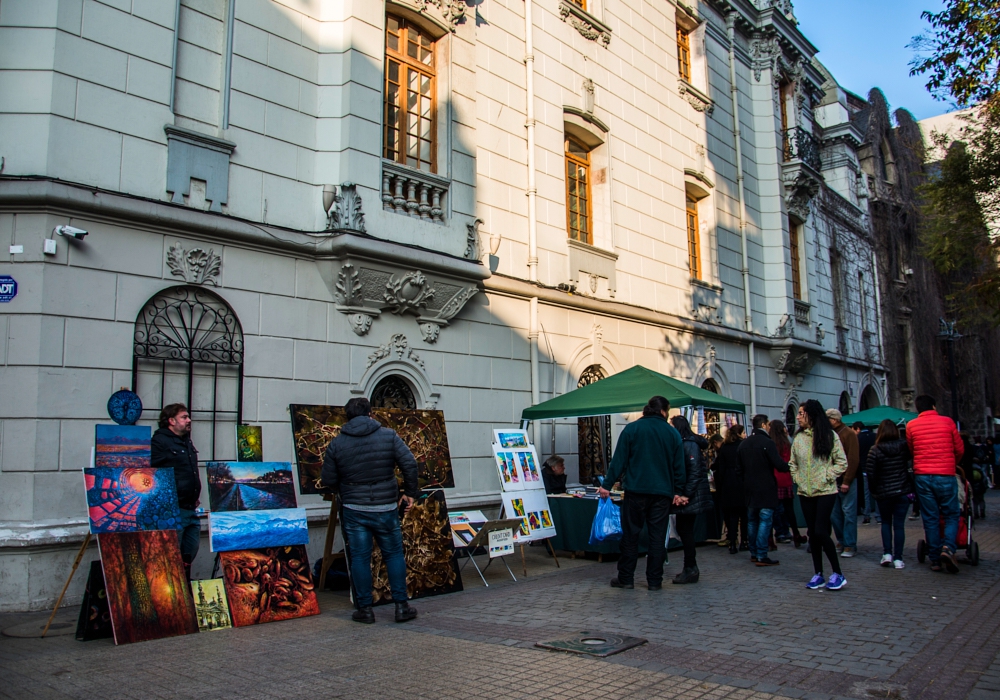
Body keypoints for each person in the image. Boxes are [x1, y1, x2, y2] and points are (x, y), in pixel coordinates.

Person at [321, 397, 420, 623]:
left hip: (354, 509)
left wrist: (345, 488)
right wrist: (409, 493)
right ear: (370, 414)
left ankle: (365, 609)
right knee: (393, 554)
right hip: (385, 507)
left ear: (347, 417)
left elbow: (328, 478)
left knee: (359, 558)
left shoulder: (337, 444)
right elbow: (410, 464)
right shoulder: (389, 436)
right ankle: (401, 607)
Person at [598, 396, 687, 590]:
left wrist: (607, 484)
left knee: (631, 535)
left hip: (636, 491)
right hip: (662, 493)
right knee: (657, 537)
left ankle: (626, 578)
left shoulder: (632, 429)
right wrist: (679, 491)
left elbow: (619, 460)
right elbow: (679, 466)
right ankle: (654, 581)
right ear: (663, 411)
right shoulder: (672, 433)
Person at [790, 400, 849, 590]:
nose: (798, 417)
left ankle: (838, 573)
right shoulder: (798, 438)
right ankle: (818, 574)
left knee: (821, 531)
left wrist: (826, 477)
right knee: (812, 534)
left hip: (825, 491)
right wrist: (797, 477)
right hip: (805, 492)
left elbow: (841, 462)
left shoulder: (830, 436)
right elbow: (793, 463)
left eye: (801, 413)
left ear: (811, 415)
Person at [906, 395, 964, 573]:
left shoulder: (911, 425)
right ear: (933, 405)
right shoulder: (947, 422)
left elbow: (912, 449)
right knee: (951, 514)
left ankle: (935, 558)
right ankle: (948, 548)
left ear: (917, 409)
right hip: (945, 473)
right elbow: (959, 448)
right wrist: (952, 463)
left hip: (923, 475)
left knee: (930, 517)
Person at [151, 403, 202, 580]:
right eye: (184, 417)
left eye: (188, 417)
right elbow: (152, 473)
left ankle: (183, 588)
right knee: (171, 558)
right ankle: (173, 596)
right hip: (173, 510)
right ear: (171, 421)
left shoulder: (186, 441)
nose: (189, 420)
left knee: (189, 552)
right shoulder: (160, 441)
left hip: (191, 508)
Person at [737, 414, 789, 567]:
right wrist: (791, 465)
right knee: (765, 520)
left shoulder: (743, 444)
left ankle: (754, 553)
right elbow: (779, 464)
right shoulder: (767, 443)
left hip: (749, 488)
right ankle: (761, 554)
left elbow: (738, 469)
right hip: (766, 488)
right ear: (764, 424)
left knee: (752, 520)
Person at [864, 419, 912, 569]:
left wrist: (874, 491)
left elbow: (871, 473)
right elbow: (909, 466)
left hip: (884, 492)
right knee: (899, 526)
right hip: (902, 490)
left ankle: (887, 554)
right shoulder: (904, 447)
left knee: (886, 522)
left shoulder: (875, 450)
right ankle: (898, 558)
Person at [669, 415, 712, 583]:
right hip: (689, 495)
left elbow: (694, 472)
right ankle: (690, 567)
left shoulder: (689, 445)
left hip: (691, 497)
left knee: (685, 530)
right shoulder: (687, 444)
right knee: (684, 529)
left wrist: (686, 494)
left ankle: (691, 567)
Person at [826, 408, 860, 557]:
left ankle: (850, 544)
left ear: (834, 420)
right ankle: (841, 540)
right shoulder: (830, 434)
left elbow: (853, 459)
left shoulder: (848, 434)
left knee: (848, 512)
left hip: (846, 479)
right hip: (833, 480)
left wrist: (847, 480)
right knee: (835, 514)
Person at [712, 425, 747, 554]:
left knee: (732, 516)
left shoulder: (725, 448)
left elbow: (721, 469)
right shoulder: (743, 446)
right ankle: (744, 541)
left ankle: (732, 542)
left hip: (728, 483)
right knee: (744, 515)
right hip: (741, 482)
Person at [769, 419, 804, 546]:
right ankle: (794, 533)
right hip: (786, 477)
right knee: (789, 510)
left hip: (775, 478)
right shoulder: (787, 442)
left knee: (775, 509)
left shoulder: (772, 443)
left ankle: (779, 533)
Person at [854, 422, 877, 524]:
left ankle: (867, 516)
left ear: (858, 429)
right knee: (877, 493)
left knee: (866, 494)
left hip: (863, 469)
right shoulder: (875, 436)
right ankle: (879, 516)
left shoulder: (858, 439)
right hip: (875, 469)